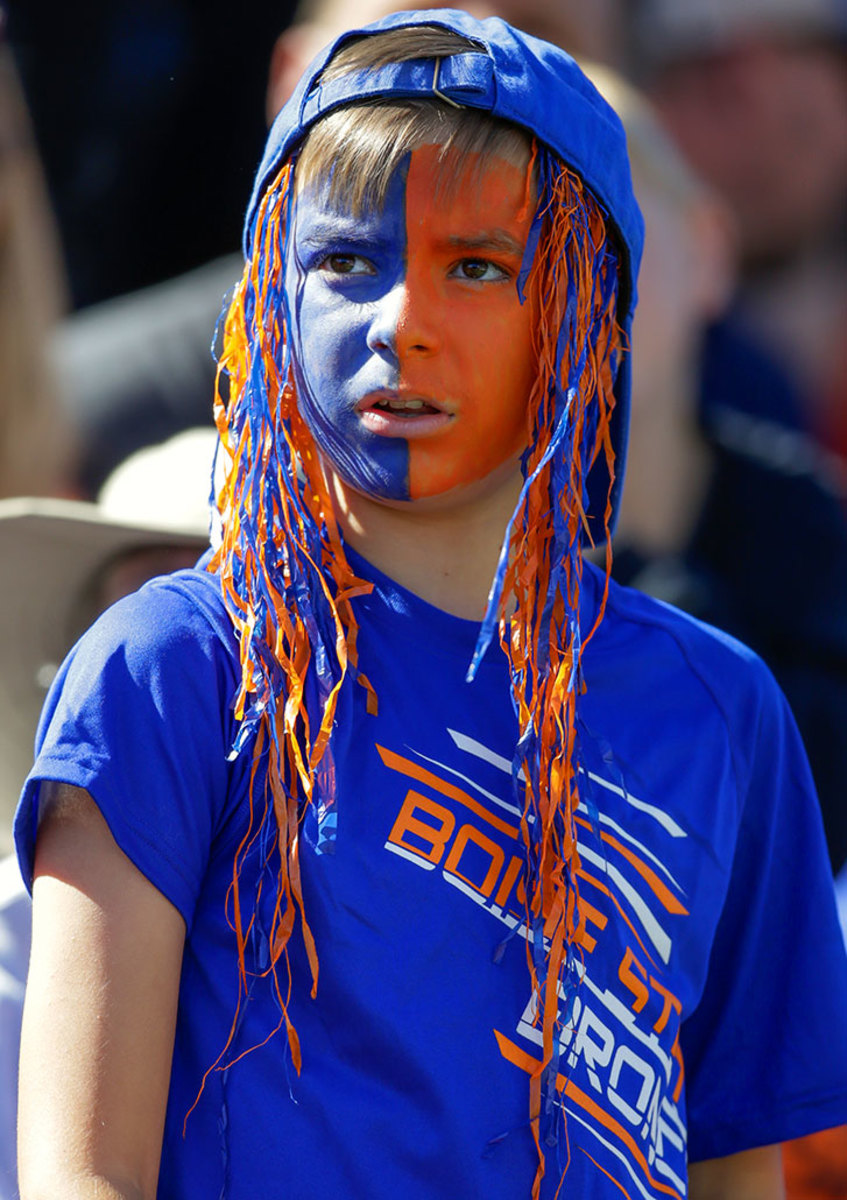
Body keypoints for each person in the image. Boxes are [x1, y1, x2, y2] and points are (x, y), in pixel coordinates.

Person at [14, 11, 847, 1200]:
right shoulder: (170, 668)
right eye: (344, 261)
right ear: (267, 296)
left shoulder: (723, 711)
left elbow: (737, 1167)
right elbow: (80, 1175)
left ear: (586, 314)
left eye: (476, 266)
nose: (401, 321)